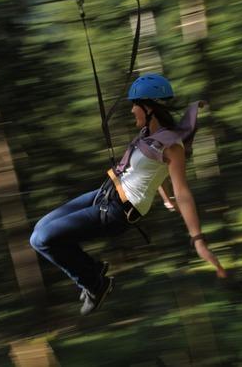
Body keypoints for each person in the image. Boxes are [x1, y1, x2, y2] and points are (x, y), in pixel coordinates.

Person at [29, 74, 227, 316]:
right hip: (104, 194)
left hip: (117, 212)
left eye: (135, 105)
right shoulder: (147, 135)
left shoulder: (172, 146)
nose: (132, 110)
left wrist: (198, 239)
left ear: (149, 108)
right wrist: (163, 197)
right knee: (40, 228)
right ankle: (92, 270)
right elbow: (153, 171)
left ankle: (95, 284)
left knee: (42, 239)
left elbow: (182, 190)